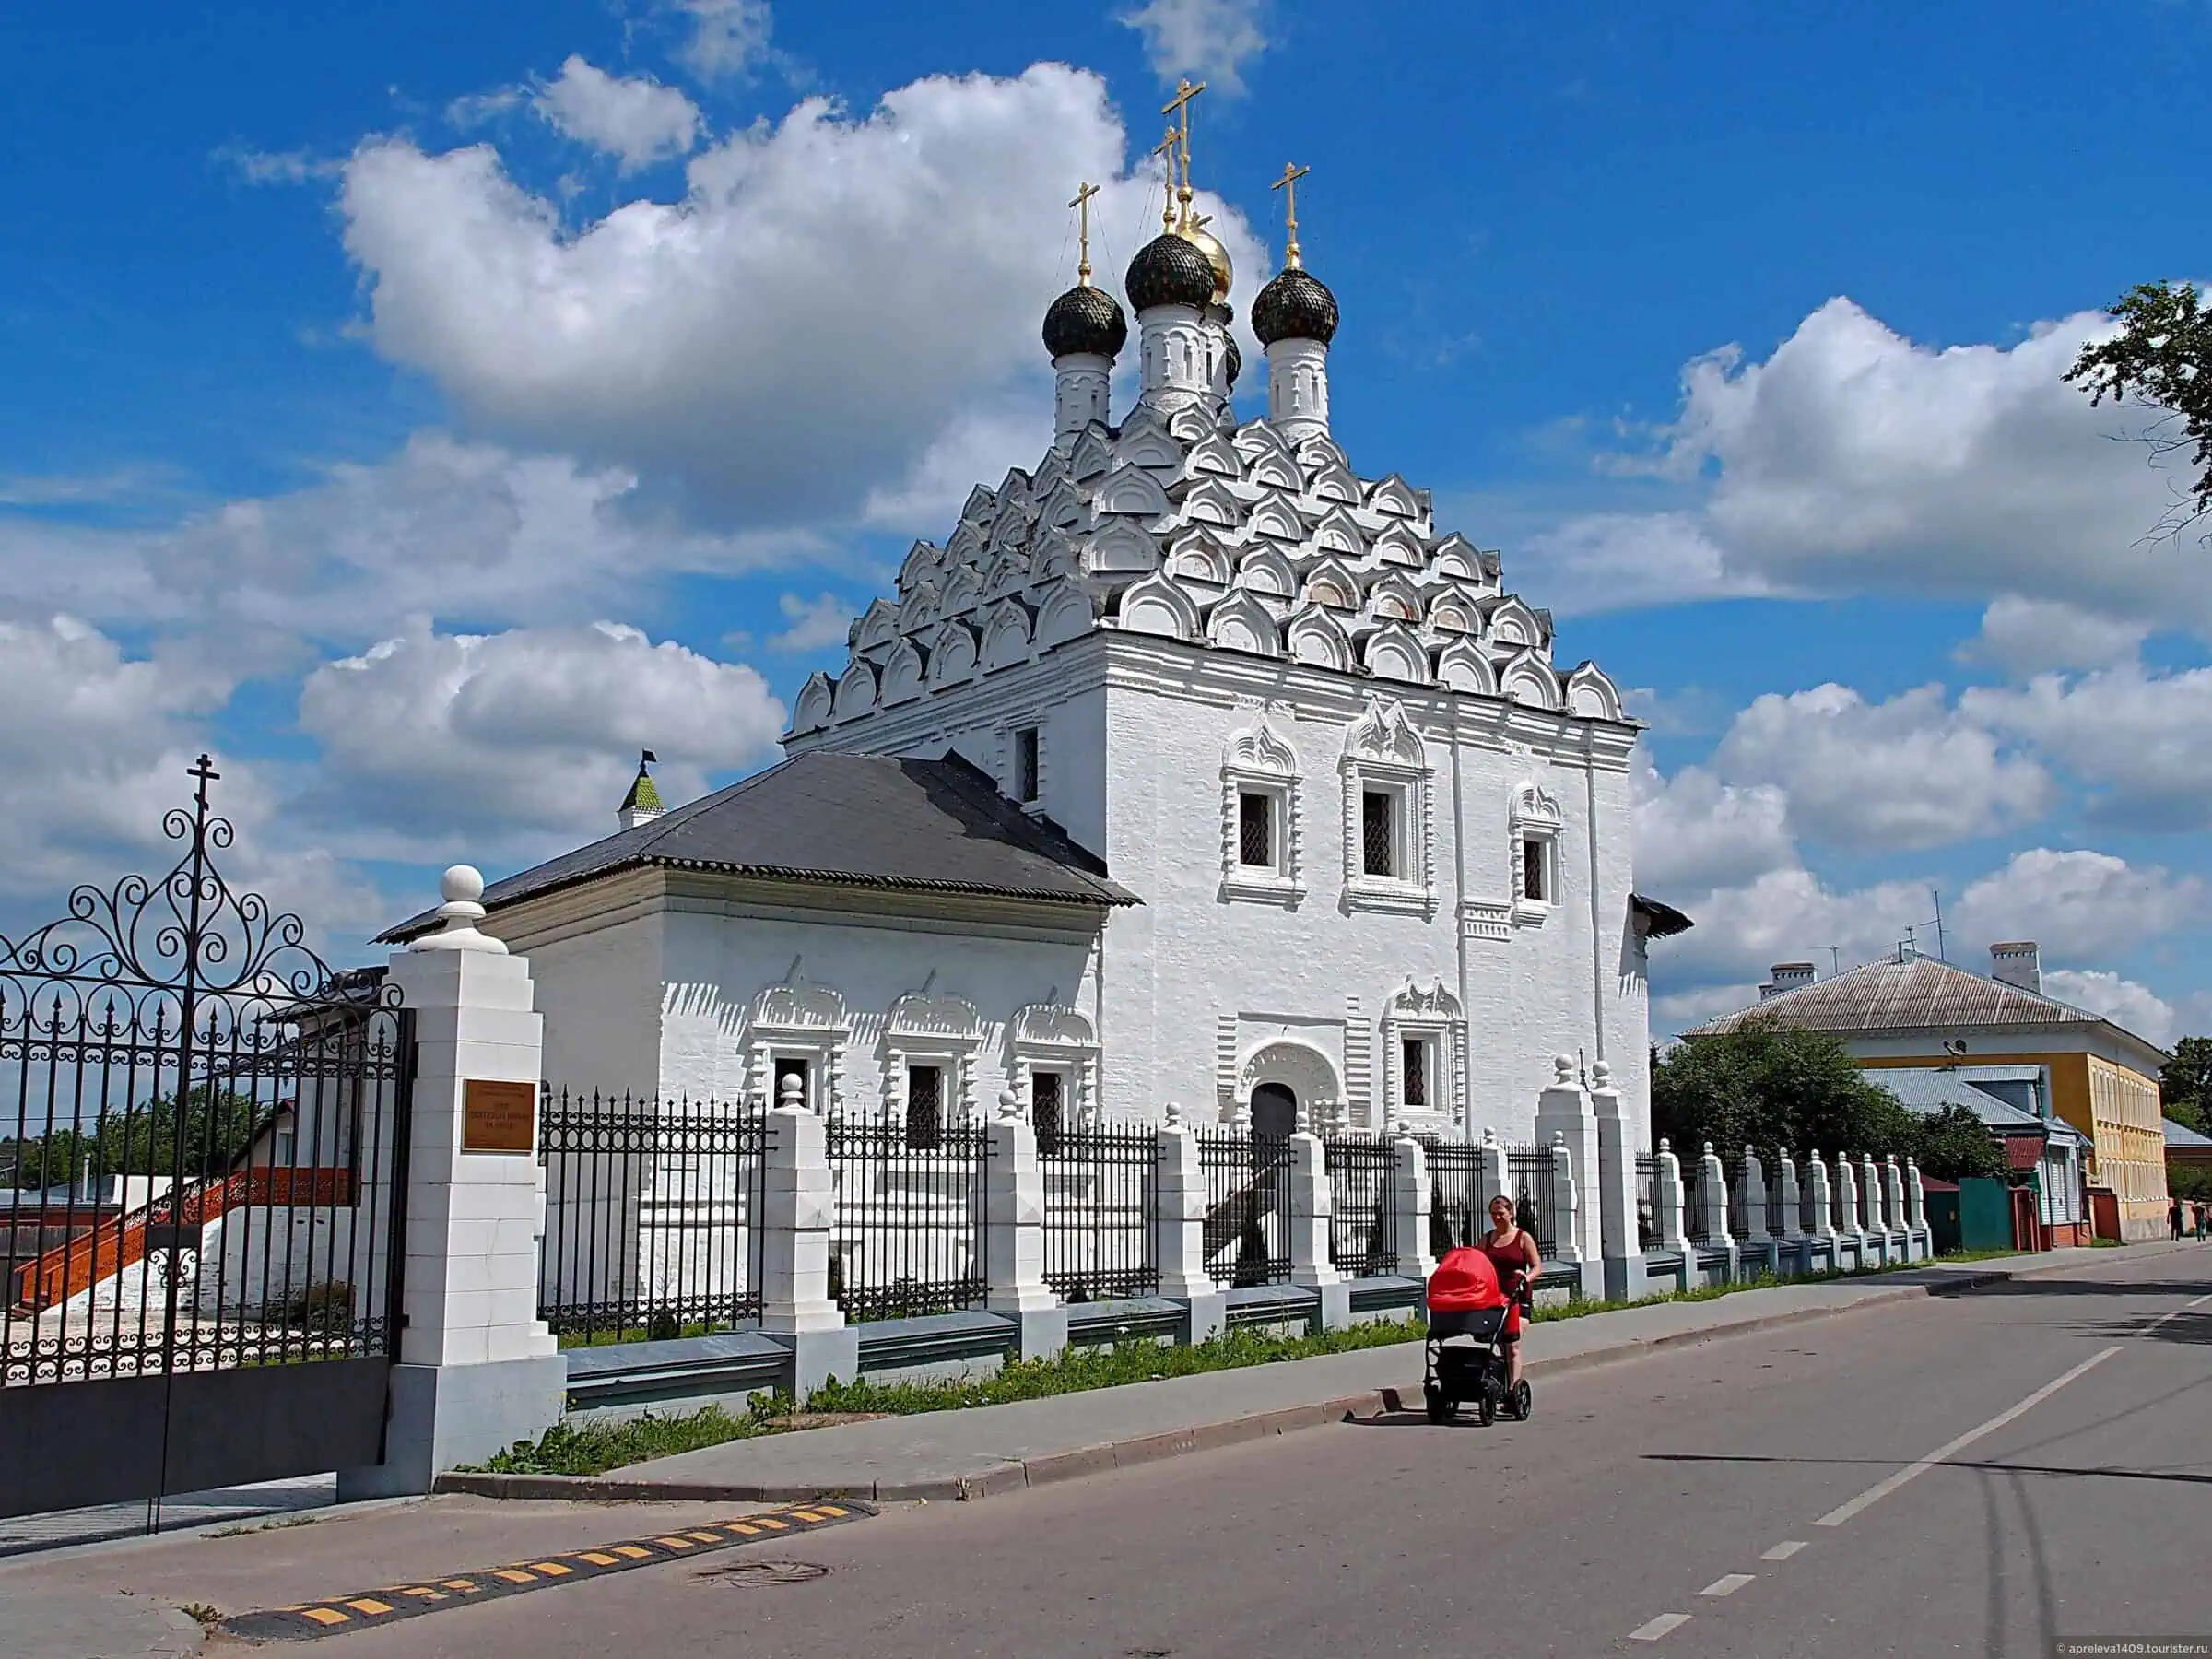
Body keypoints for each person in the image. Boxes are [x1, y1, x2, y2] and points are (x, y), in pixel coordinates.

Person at [1478, 1193, 1541, 1394]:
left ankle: (1513, 1390)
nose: (1497, 1218)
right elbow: (1478, 1263)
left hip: (1518, 1299)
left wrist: (1526, 1278)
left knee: (1511, 1344)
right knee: (1498, 1344)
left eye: (1501, 1213)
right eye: (1493, 1214)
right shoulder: (1487, 1239)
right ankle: (1500, 1383)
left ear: (1510, 1213)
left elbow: (1537, 1266)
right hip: (1494, 1299)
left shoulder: (1522, 1238)